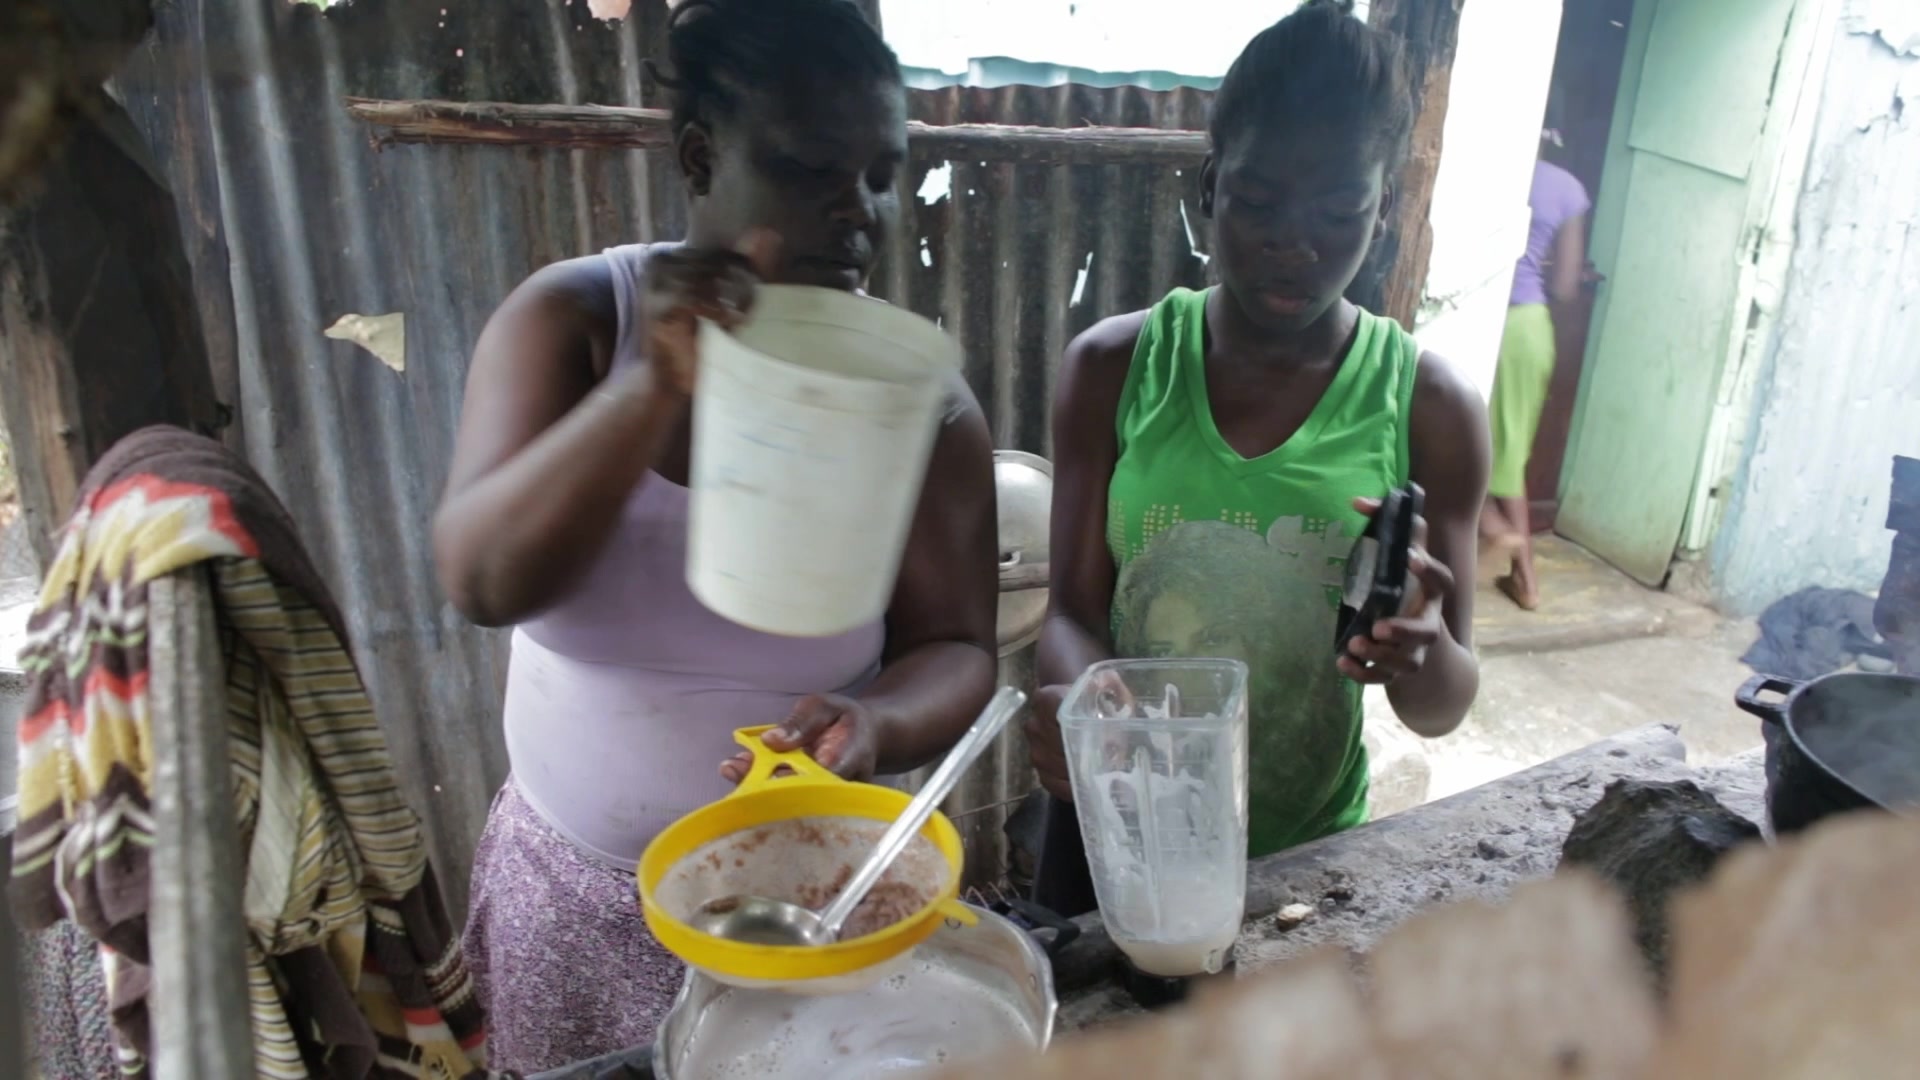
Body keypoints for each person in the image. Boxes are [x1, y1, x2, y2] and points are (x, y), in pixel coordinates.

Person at [432, 0, 999, 1069]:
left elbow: (959, 646)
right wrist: (651, 385)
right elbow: (479, 579)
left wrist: (875, 723)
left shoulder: (917, 405)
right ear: (699, 156)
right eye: (810, 169)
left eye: (882, 174)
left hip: (812, 906)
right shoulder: (577, 326)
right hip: (574, 903)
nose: (859, 212)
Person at [1024, 0, 1490, 917]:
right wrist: (1087, 708)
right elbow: (1073, 613)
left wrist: (1421, 648)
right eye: (1261, 202)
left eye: (1339, 209)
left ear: (1383, 211)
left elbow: (1440, 707)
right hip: (1112, 833)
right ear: (1210, 187)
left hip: (1301, 863)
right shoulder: (1115, 367)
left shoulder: (1429, 406)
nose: (1294, 242)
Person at [1480, 126, 1591, 611]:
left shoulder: (1490, 174)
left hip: (1484, 318)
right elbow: (1566, 286)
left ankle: (1495, 530)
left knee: (1454, 442)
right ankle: (1524, 577)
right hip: (1530, 328)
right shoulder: (1568, 189)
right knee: (1508, 456)